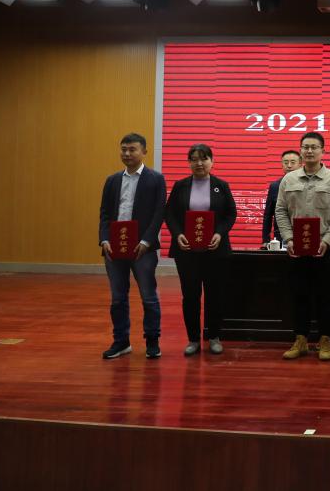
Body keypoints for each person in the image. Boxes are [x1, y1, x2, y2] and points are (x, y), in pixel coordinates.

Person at [275, 131, 330, 361]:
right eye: (305, 147)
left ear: (323, 151)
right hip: (297, 250)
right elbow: (280, 211)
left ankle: (325, 340)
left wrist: (327, 240)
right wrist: (289, 239)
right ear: (300, 150)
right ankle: (301, 340)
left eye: (314, 147)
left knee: (325, 297)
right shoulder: (289, 179)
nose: (309, 151)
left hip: (324, 250)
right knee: (299, 296)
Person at [98, 133, 167, 360]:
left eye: (132, 149)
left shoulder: (156, 179)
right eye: (124, 149)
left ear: (144, 152)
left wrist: (146, 241)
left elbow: (159, 213)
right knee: (118, 298)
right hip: (114, 248)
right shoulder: (112, 180)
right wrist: (104, 239)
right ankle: (121, 341)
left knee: (148, 296)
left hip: (142, 249)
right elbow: (105, 214)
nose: (127, 154)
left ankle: (152, 341)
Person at [164, 144, 238, 356]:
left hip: (215, 250)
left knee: (215, 295)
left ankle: (214, 337)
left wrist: (219, 233)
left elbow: (230, 214)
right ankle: (193, 339)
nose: (199, 163)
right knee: (190, 296)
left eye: (204, 159)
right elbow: (169, 213)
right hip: (187, 251)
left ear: (212, 161)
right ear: (189, 162)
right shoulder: (180, 186)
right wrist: (177, 234)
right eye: (194, 159)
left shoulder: (221, 185)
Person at [261, 149, 301, 248]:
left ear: (300, 164)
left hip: (302, 232)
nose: (289, 166)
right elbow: (268, 215)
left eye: (293, 162)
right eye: (286, 162)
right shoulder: (275, 186)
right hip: (280, 235)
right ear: (281, 165)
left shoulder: (307, 184)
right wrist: (265, 239)